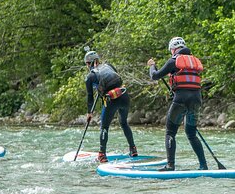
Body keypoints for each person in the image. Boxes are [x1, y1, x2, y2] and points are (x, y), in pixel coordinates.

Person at [147, 37, 207, 171]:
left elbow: (155, 76)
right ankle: (203, 165)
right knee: (191, 134)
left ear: (173, 49)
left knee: (170, 132)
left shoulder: (174, 60)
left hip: (181, 100)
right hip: (196, 99)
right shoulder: (194, 61)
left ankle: (170, 165)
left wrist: (152, 65)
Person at [84, 50, 138, 163]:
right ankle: (133, 149)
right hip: (124, 96)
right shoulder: (109, 65)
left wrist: (90, 113)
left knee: (104, 127)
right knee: (123, 123)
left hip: (111, 100)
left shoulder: (90, 77)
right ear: (98, 60)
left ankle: (102, 155)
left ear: (90, 63)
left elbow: (90, 97)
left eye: (87, 64)